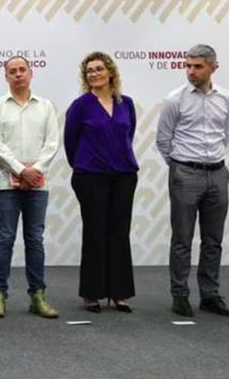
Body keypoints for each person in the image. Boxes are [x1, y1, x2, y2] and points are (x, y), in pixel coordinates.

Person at [156, 44, 229, 318]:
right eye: (188, 65)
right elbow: (163, 140)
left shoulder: (226, 98)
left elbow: (224, 134)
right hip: (184, 172)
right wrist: (180, 166)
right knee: (182, 239)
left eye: (197, 66)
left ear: (213, 67)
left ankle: (210, 295)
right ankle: (180, 295)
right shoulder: (174, 99)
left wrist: (210, 163)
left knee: (213, 240)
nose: (190, 71)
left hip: (218, 172)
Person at [63, 52, 139, 313]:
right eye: (89, 71)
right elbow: (70, 143)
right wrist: (86, 165)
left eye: (98, 69)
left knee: (119, 232)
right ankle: (92, 293)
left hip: (124, 176)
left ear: (110, 72)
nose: (94, 74)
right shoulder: (80, 105)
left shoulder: (126, 104)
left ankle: (120, 293)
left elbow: (129, 135)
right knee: (95, 232)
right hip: (90, 176)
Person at [0, 56, 60, 319]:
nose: (18, 74)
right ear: (6, 77)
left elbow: (52, 143)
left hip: (38, 185)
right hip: (6, 184)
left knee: (35, 240)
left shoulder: (46, 106)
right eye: (12, 71)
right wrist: (20, 170)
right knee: (5, 238)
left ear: (31, 73)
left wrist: (35, 170)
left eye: (22, 70)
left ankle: (37, 295)